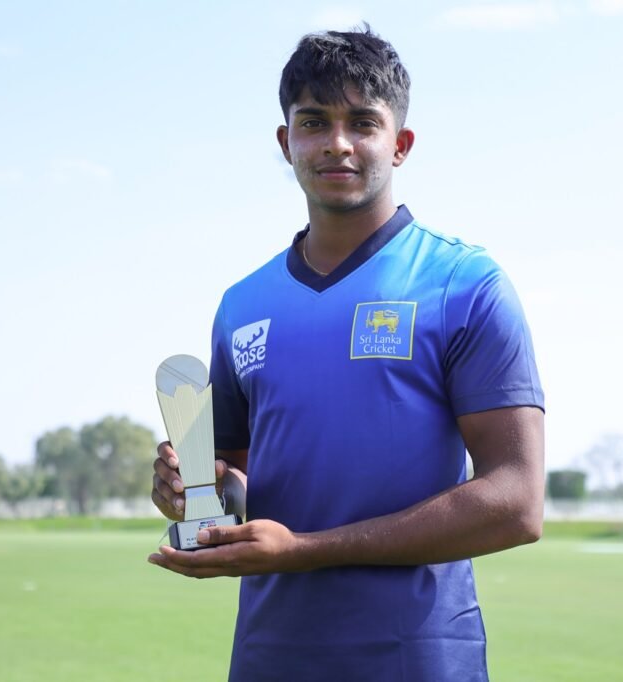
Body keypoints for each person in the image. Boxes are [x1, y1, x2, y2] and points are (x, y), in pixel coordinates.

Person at [148, 25, 545, 681]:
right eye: (314, 122)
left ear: (401, 144)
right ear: (286, 142)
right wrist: (195, 493)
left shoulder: (464, 284)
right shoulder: (242, 305)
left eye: (363, 122)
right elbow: (239, 486)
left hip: (419, 659)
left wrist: (304, 549)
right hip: (271, 656)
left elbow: (516, 502)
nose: (338, 142)